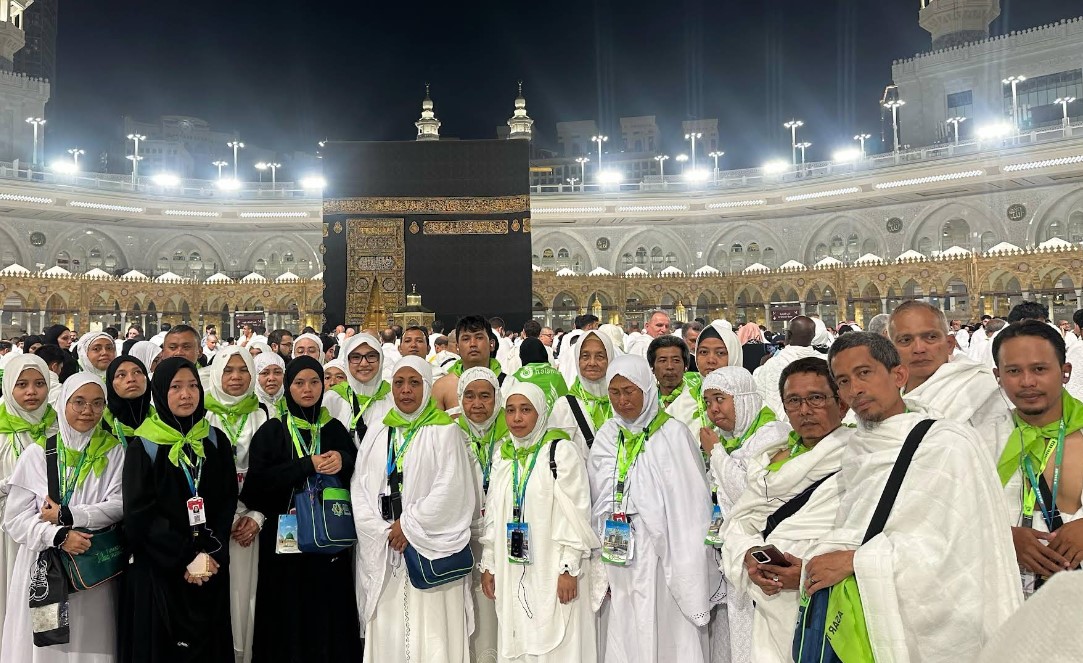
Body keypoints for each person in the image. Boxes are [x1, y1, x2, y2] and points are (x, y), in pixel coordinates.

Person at [803, 332, 1021, 660]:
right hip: (869, 619)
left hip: (946, 629)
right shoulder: (858, 449)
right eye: (843, 381)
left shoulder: (948, 443)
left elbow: (959, 552)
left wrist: (856, 562)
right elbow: (854, 529)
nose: (855, 389)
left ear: (898, 375)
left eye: (864, 373)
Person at [588, 354, 720, 663]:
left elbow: (691, 505)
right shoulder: (608, 435)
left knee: (665, 623)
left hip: (663, 552)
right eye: (614, 392)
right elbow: (596, 493)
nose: (622, 400)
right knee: (625, 623)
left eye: (629, 391)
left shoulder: (673, 434)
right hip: (619, 547)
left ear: (647, 389)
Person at [720, 357, 852, 662]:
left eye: (816, 398)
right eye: (794, 401)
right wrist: (750, 556)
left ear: (842, 403)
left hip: (826, 608)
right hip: (770, 606)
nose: (805, 410)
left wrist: (805, 573)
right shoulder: (771, 459)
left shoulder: (858, 457)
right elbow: (739, 523)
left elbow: (861, 540)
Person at [352, 356, 475, 661]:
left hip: (428, 550)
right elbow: (360, 486)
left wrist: (407, 526)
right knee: (391, 632)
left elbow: (452, 488)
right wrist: (383, 530)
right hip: (387, 549)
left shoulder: (444, 430)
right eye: (399, 383)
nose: (405, 390)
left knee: (432, 635)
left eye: (414, 383)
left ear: (427, 387)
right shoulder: (379, 430)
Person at [240, 356, 361, 662]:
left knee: (327, 614)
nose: (307, 390)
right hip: (286, 545)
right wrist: (305, 465)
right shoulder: (272, 431)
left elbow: (360, 474)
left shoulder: (334, 429)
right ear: (288, 386)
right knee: (286, 616)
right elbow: (256, 488)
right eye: (299, 383)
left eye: (315, 382)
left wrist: (344, 460)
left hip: (328, 544)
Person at [1, 373, 125, 662]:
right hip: (44, 568)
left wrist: (69, 515)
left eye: (97, 403)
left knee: (90, 638)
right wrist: (57, 535)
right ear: (62, 404)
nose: (88, 411)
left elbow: (119, 505)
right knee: (46, 640)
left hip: (90, 565)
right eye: (78, 402)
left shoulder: (114, 451)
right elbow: (15, 519)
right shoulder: (37, 454)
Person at [123, 357, 238, 662]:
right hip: (163, 570)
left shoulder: (213, 440)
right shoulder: (145, 445)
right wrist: (187, 557)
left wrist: (210, 553)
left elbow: (227, 500)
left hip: (209, 567)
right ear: (160, 392)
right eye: (175, 387)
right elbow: (139, 515)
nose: (186, 395)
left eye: (192, 386)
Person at [479, 370, 598, 662]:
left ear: (541, 412)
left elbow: (576, 515)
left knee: (559, 641)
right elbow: (493, 512)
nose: (517, 418)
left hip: (553, 567)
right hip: (512, 566)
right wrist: (490, 563)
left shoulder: (560, 452)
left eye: (525, 410)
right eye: (510, 410)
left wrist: (569, 568)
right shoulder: (504, 454)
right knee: (518, 631)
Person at [695, 366, 790, 663]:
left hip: (764, 553)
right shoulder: (729, 437)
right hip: (735, 551)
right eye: (708, 402)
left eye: (720, 399)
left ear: (743, 398)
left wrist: (716, 453)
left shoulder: (772, 435)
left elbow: (748, 496)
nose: (713, 409)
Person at [991, 320, 1083, 596]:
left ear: (1065, 372)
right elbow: (954, 516)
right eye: (1013, 371)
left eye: (1039, 369)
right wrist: (1002, 536)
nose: (1027, 382)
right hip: (1005, 595)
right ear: (998, 376)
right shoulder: (983, 438)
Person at [203, 347, 268, 663]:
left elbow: (271, 472)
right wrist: (221, 517)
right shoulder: (202, 415)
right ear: (217, 373)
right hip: (213, 524)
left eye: (243, 370)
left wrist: (256, 515)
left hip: (250, 524)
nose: (236, 377)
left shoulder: (264, 414)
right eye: (228, 370)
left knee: (246, 595)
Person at [889, 300, 1012, 455]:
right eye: (906, 340)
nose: (919, 349)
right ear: (891, 349)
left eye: (931, 337)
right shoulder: (884, 398)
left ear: (949, 344)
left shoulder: (979, 391)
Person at [0, 355, 58, 650]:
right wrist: (13, 488)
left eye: (38, 384)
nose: (31, 392)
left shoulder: (60, 426)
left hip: (48, 532)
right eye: (22, 385)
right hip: (6, 532)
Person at [456, 367, 506, 663]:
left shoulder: (511, 436)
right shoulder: (451, 435)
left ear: (497, 398)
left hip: (500, 540)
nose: (477, 404)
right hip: (461, 540)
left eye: (485, 396)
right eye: (470, 396)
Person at [669, 320, 743, 435]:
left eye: (720, 353)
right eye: (703, 352)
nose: (710, 360)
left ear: (734, 356)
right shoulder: (684, 403)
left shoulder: (749, 403)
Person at [323, 333, 392, 441]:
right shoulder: (333, 398)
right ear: (347, 361)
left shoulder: (392, 397)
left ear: (381, 359)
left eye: (371, 356)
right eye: (356, 357)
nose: (364, 363)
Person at [753, 316, 822, 418]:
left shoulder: (775, 363)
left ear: (788, 335)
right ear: (813, 336)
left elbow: (770, 403)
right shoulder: (823, 361)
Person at [433, 316, 506, 411]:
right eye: (466, 339)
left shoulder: (509, 384)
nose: (473, 344)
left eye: (479, 337)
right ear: (457, 347)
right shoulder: (441, 387)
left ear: (491, 344)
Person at [566, 330, 615, 444]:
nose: (592, 363)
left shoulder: (621, 401)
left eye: (600, 356)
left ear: (610, 359)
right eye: (585, 356)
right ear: (577, 360)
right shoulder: (565, 406)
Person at [102, 355, 153, 449]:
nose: (131, 379)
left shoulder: (162, 420)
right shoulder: (99, 425)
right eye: (121, 375)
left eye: (137, 372)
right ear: (110, 382)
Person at [647, 336, 699, 413]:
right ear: (652, 367)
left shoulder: (698, 397)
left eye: (676, 360)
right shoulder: (646, 401)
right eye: (663, 361)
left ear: (685, 366)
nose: (670, 366)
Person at [252, 352, 285, 418]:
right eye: (265, 373)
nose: (271, 378)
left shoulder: (291, 403)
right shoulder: (249, 407)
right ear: (256, 376)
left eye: (277, 372)